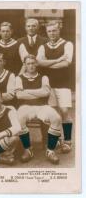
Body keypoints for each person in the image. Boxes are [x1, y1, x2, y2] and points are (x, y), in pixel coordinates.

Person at [16, 55, 62, 164]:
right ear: (25, 65)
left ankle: (50, 151)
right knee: (19, 118)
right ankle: (28, 149)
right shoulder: (19, 78)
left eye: (33, 63)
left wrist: (27, 91)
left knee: (56, 118)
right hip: (26, 106)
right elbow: (19, 95)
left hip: (42, 106)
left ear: (36, 64)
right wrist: (38, 92)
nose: (31, 66)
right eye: (28, 63)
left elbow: (46, 92)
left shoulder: (44, 77)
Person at [36, 20, 74, 153]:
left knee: (64, 111)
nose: (52, 33)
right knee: (51, 113)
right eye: (49, 31)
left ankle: (68, 140)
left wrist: (47, 64)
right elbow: (39, 62)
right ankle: (56, 139)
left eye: (54, 30)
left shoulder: (67, 44)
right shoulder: (43, 46)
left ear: (59, 30)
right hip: (48, 84)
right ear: (46, 32)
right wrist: (57, 60)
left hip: (63, 83)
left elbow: (66, 63)